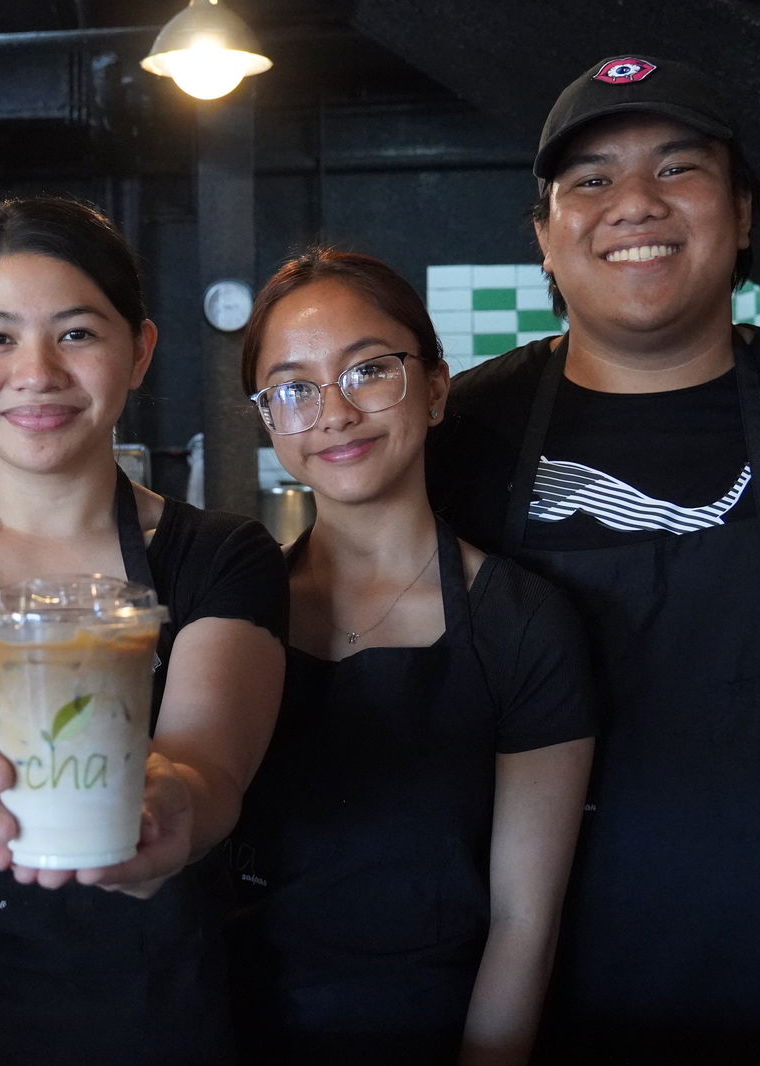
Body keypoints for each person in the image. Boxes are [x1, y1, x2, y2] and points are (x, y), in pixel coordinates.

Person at [428, 54, 760, 1064]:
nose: (632, 205)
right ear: (542, 234)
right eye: (589, 180)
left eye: (676, 169)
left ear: (741, 213)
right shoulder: (459, 435)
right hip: (544, 984)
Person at [0, 195, 287, 1064]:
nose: (36, 371)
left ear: (138, 351)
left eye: (77, 333)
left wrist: (167, 805)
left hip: (152, 1014)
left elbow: (209, 768)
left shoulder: (222, 555)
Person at [225, 249, 595, 1064]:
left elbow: (524, 926)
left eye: (369, 370)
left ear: (433, 389)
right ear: (270, 421)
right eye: (293, 388)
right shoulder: (229, 615)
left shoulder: (523, 622)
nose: (334, 412)